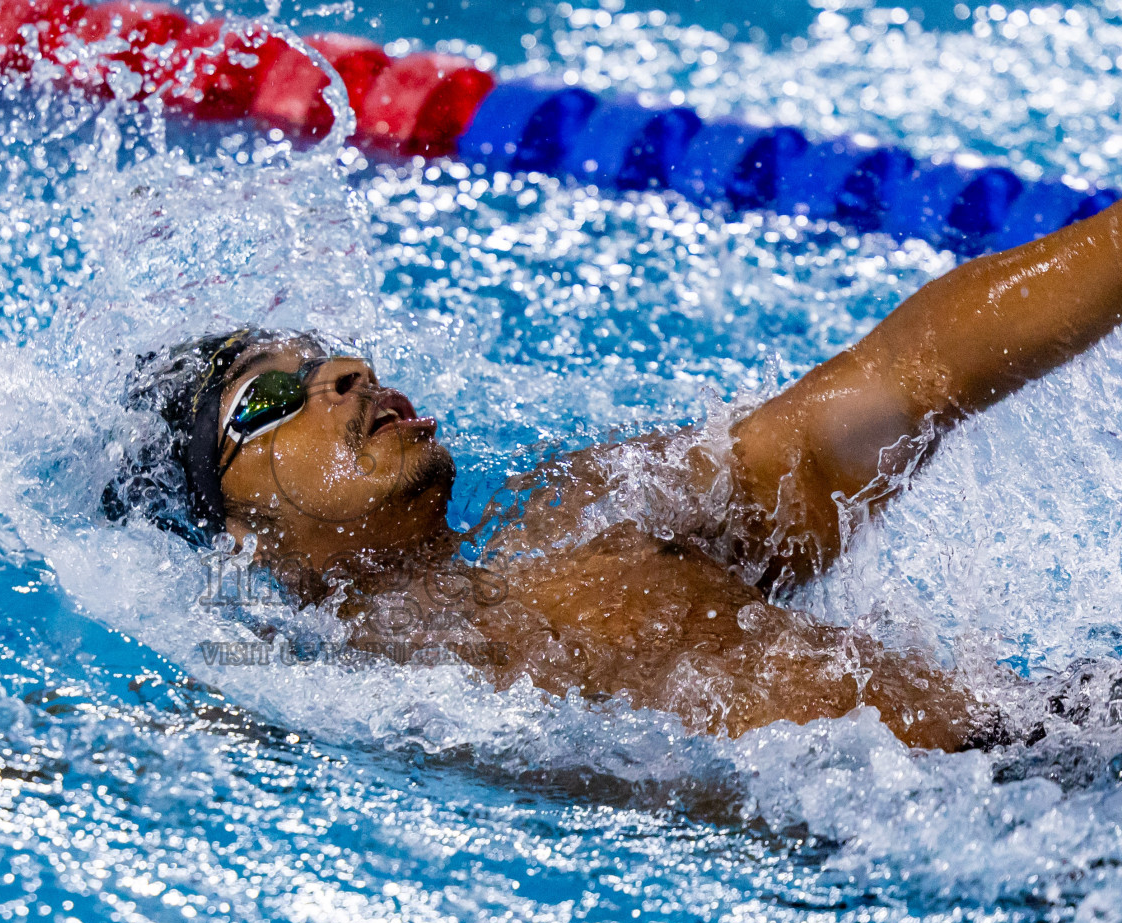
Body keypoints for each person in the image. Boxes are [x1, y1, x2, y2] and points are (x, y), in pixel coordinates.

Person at [113, 198, 1122, 752]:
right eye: (267, 400)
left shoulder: (593, 508)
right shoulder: (313, 699)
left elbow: (898, 382)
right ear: (237, 536)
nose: (345, 373)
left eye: (331, 357)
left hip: (1064, 742)